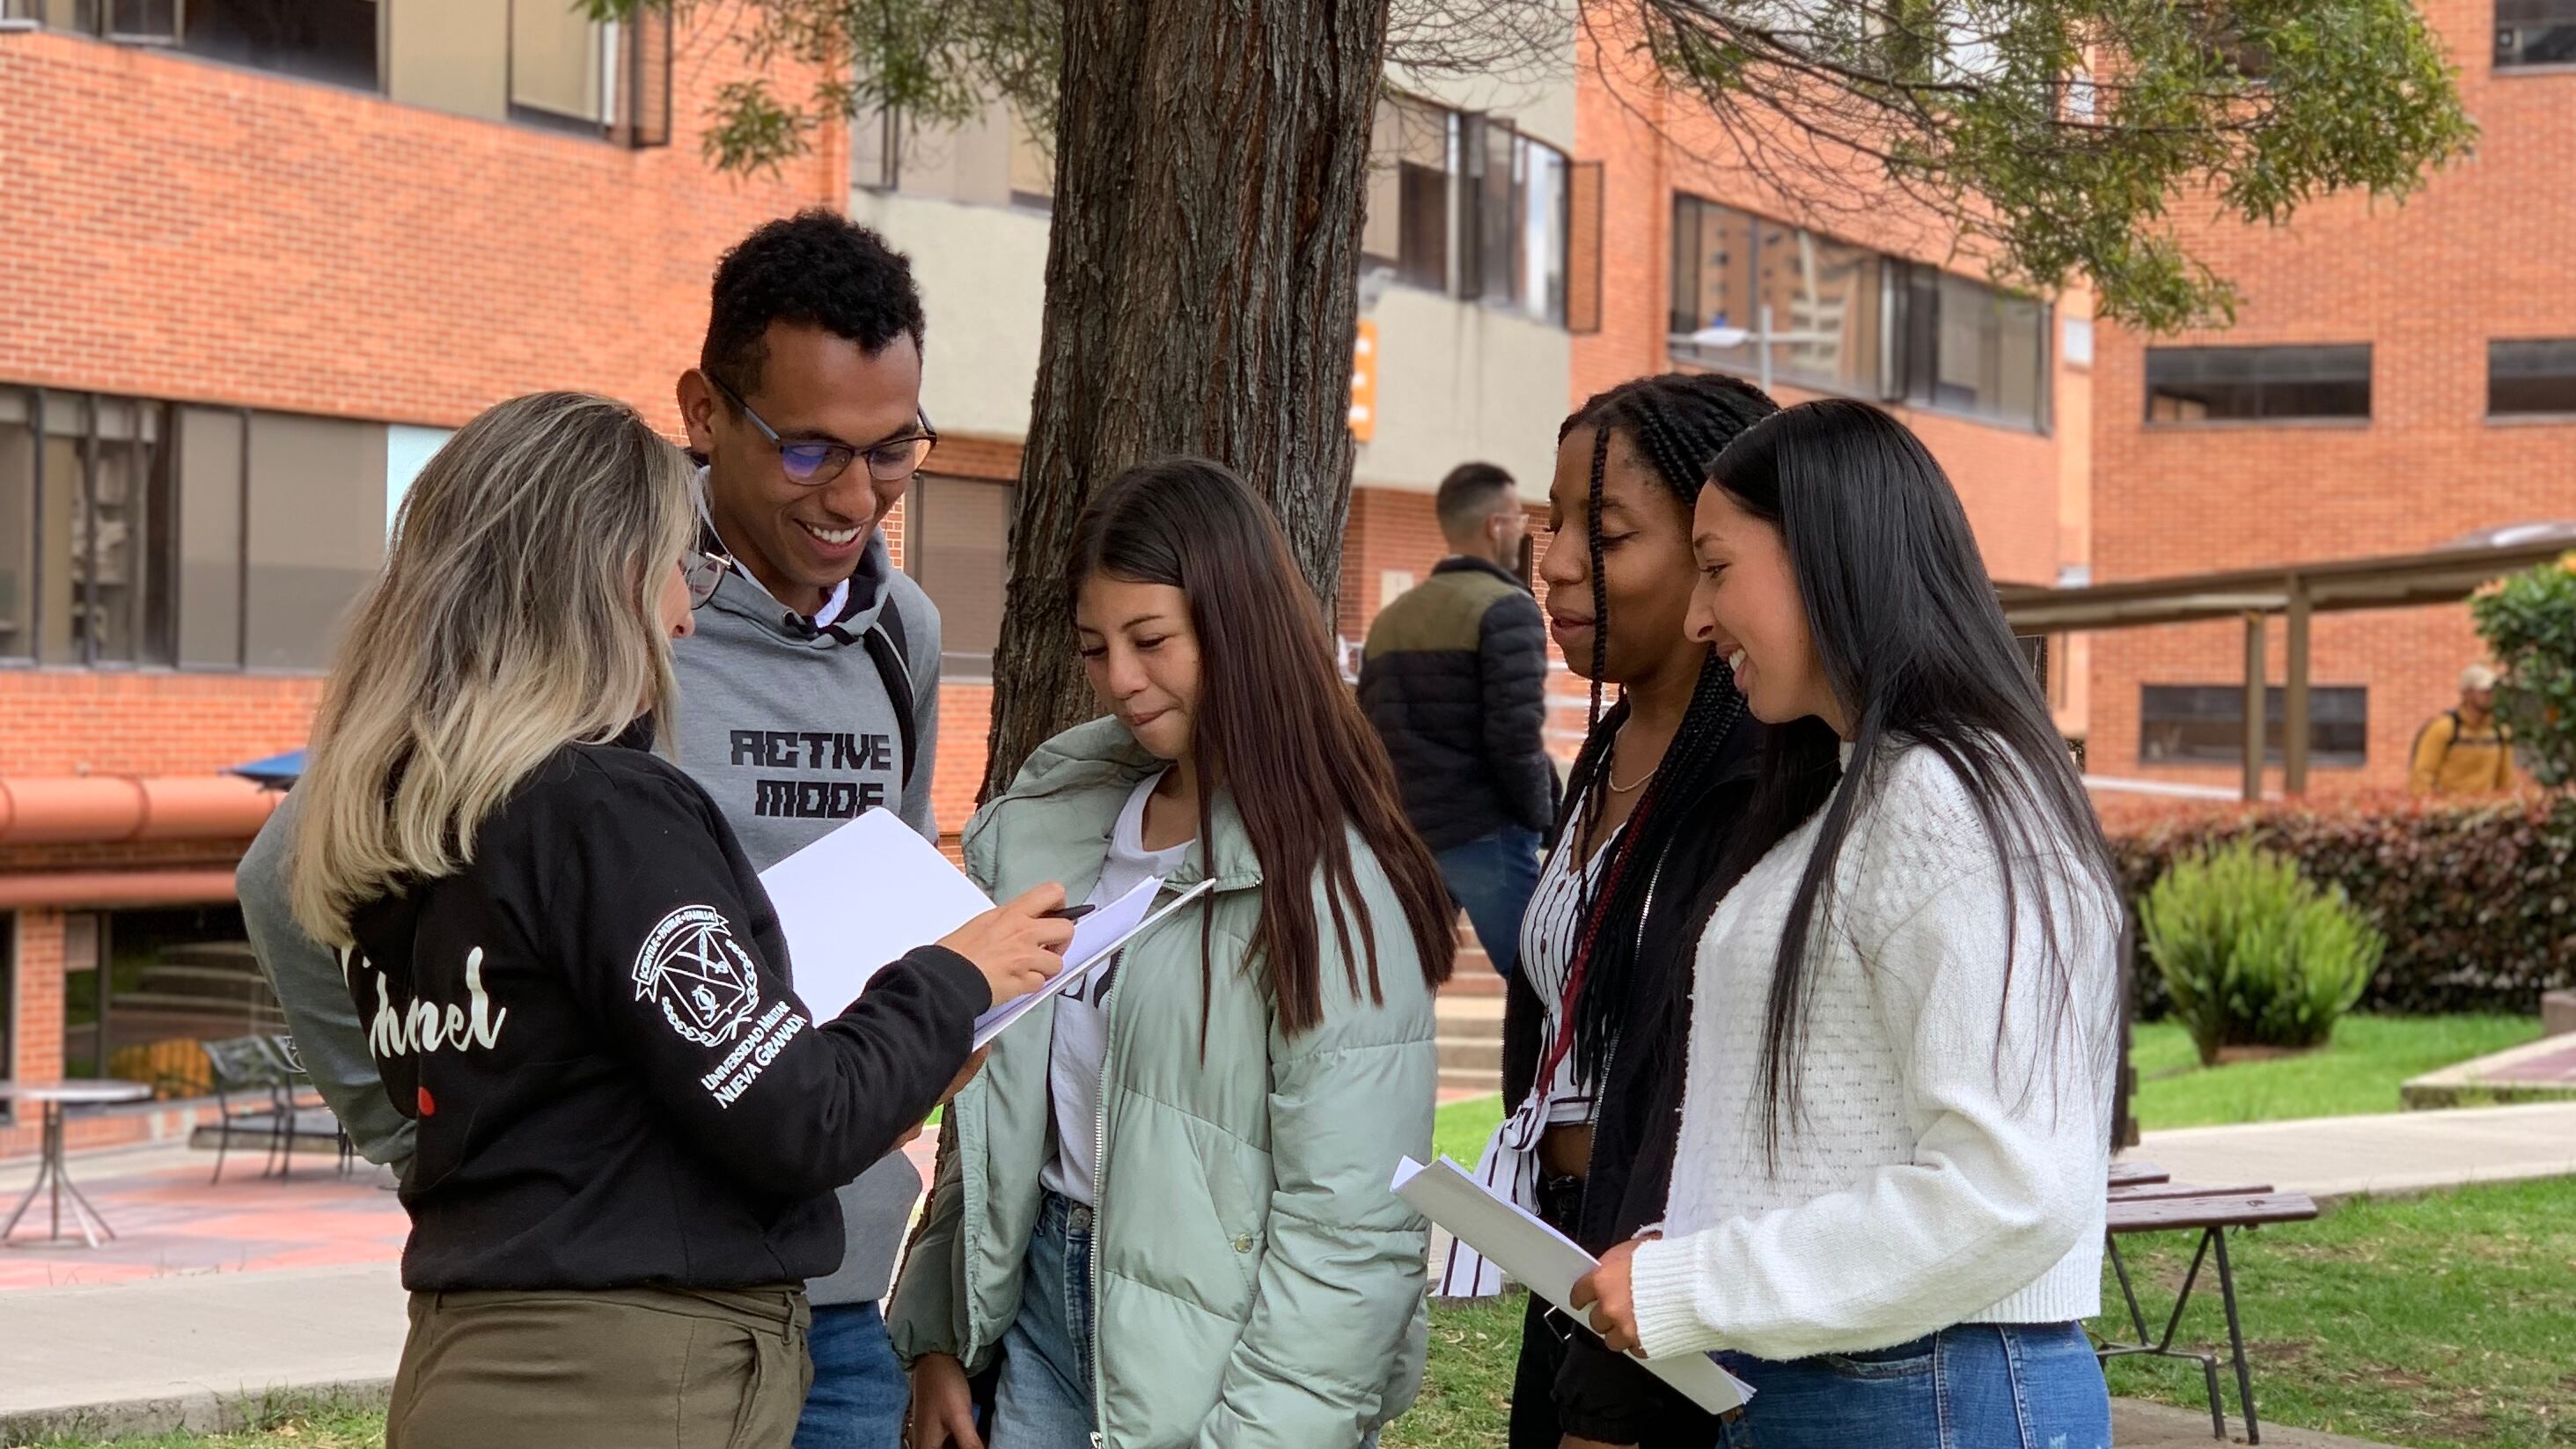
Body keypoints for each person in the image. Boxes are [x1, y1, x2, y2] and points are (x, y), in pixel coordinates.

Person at [237, 210, 949, 1449]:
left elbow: (899, 890)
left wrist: (918, 1024)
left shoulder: (904, 636)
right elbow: (294, 867)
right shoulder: (573, 597)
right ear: (706, 411)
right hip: (624, 1298)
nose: (853, 497)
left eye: (892, 453)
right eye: (809, 451)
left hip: (830, 1280)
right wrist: (431, 1132)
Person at [280, 391, 1072, 1449]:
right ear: (602, 578)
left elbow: (600, 1114)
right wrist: (953, 979)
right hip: (633, 1380)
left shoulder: (402, 818)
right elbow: (793, 1119)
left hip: (463, 1356)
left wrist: (884, 1071)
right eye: (675, 566)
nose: (687, 615)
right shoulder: (604, 807)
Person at [1570, 400, 2123, 1448]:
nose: (1696, 615)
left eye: (1717, 566)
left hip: (1919, 1390)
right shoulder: (1849, 796)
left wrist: (1698, 1275)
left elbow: (2009, 1189)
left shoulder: (1944, 801)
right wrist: (1680, 1251)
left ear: (1830, 554)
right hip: (1856, 1386)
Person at [891, 459, 1456, 1449]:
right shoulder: (1053, 825)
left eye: (1151, 640)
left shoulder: (1331, 878)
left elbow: (1351, 1236)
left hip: (1224, 1367)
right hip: (1039, 1331)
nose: (1119, 679)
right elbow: (994, 1113)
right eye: (1095, 647)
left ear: (1237, 623)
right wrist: (944, 1335)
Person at [1425, 376, 1781, 1449]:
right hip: (1569, 1260)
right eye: (1551, 521)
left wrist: (1618, 1396)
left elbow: (1691, 1099)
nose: (1556, 561)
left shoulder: (1758, 775)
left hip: (1673, 1294)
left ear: (1716, 550)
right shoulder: (1608, 745)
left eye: (1607, 531)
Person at [1359, 461, 1556, 977]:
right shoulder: (1508, 607)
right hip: (1483, 831)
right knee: (1543, 990)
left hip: (1405, 838)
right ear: (1496, 526)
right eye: (1516, 518)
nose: (1520, 530)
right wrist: (1546, 819)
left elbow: (1366, 735)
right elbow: (1515, 736)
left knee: (1402, 989)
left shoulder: (1390, 620)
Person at [2409, 663, 2517, 795]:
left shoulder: (2500, 732)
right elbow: (2422, 776)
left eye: (2493, 690)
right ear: (2467, 693)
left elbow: (2506, 781)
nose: (2491, 695)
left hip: (2486, 812)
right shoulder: (2444, 728)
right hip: (2449, 811)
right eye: (2485, 691)